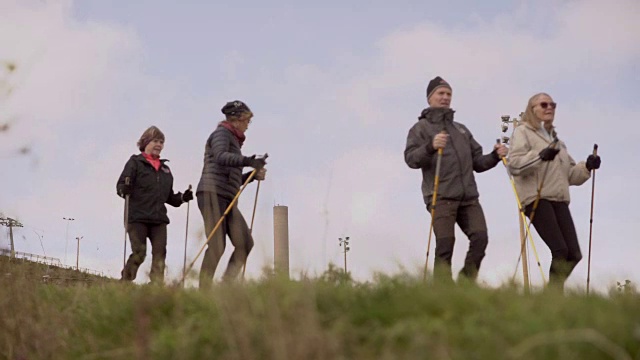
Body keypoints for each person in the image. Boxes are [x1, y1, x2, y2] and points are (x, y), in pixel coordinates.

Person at [404, 76, 508, 283]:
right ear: (429, 98)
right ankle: (442, 290)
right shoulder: (420, 129)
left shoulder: (461, 130)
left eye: (448, 94)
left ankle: (465, 283)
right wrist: (430, 146)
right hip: (440, 196)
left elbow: (478, 162)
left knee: (480, 238)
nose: (445, 98)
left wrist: (495, 156)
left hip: (468, 197)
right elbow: (411, 159)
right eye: (440, 93)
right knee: (445, 244)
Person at [507, 92, 601, 290]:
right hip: (537, 198)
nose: (549, 108)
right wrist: (540, 155)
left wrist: (587, 167)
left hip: (559, 199)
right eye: (543, 104)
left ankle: (551, 294)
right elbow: (514, 165)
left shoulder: (557, 142)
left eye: (553, 105)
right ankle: (553, 297)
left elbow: (570, 175)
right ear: (532, 109)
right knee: (560, 250)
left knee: (574, 254)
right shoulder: (522, 132)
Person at [196, 100, 267, 289]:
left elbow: (230, 174)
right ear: (236, 119)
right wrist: (249, 161)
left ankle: (225, 287)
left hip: (227, 196)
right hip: (211, 193)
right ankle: (203, 290)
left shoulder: (234, 141)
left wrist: (251, 176)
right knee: (217, 245)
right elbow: (220, 157)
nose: (247, 126)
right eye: (246, 121)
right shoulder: (222, 134)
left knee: (245, 243)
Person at [116, 125, 193, 284]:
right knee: (139, 253)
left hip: (158, 219)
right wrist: (125, 189)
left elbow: (170, 197)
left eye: (161, 141)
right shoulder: (135, 162)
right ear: (145, 143)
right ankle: (124, 282)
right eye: (155, 141)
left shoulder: (166, 169)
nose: (159, 144)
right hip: (137, 217)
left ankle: (156, 287)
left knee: (160, 254)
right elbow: (121, 186)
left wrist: (183, 197)